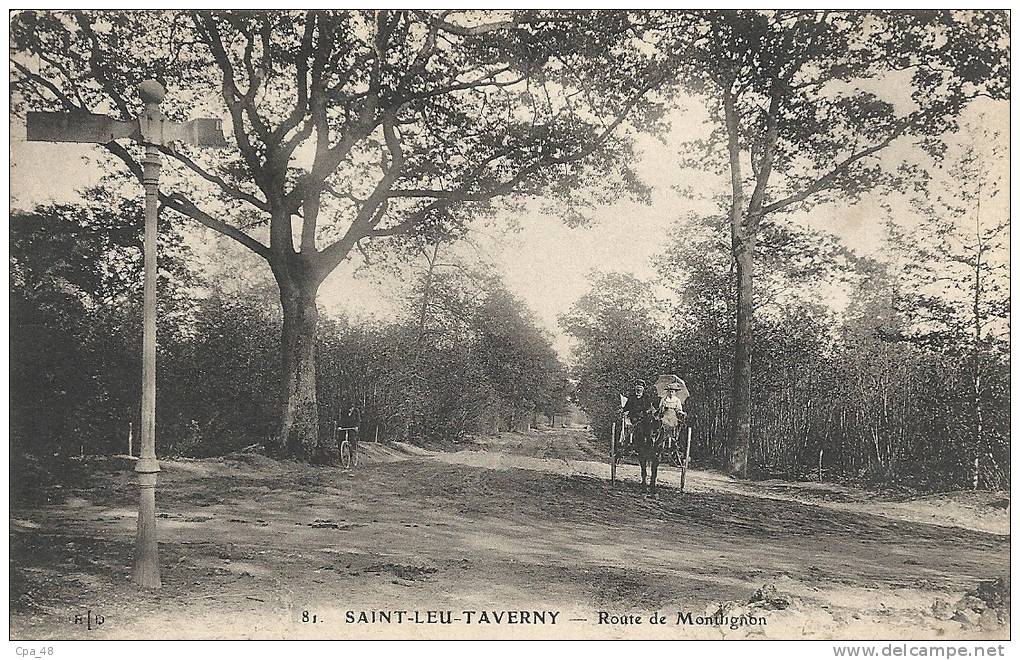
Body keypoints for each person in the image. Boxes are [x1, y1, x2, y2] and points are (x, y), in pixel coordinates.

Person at [620, 379, 656, 449]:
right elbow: (626, 407)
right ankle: (635, 442)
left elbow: (649, 407)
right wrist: (624, 411)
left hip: (644, 417)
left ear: (643, 389)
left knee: (649, 426)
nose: (639, 389)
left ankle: (649, 442)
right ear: (635, 388)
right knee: (637, 426)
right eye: (637, 387)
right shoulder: (631, 397)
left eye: (641, 387)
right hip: (634, 417)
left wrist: (649, 411)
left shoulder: (646, 398)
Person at [656, 384, 687, 448]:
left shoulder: (677, 400)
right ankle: (661, 440)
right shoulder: (664, 399)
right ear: (667, 392)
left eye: (672, 392)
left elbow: (678, 410)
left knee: (675, 425)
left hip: (673, 416)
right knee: (662, 424)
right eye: (669, 391)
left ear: (675, 392)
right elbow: (660, 410)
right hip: (665, 415)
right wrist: (662, 406)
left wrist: (682, 413)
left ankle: (673, 441)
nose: (671, 393)